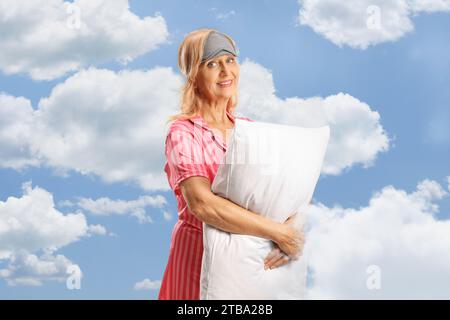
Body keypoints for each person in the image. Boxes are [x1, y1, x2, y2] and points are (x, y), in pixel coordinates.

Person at [158, 29, 304, 300]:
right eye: (212, 64)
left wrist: (291, 234)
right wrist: (279, 233)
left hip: (246, 264)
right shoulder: (183, 133)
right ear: (194, 75)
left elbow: (282, 195)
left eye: (230, 60)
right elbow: (202, 204)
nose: (226, 71)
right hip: (196, 262)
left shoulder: (251, 131)